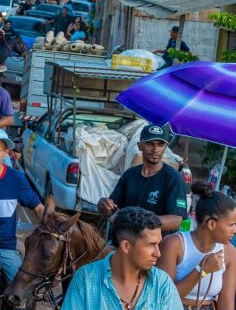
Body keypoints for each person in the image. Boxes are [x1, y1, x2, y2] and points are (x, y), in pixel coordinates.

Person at [62, 207, 184, 310]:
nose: (158, 253)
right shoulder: (85, 280)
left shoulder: (162, 284)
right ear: (126, 246)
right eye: (151, 245)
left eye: (158, 244)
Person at [0, 128, 43, 283]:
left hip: (4, 247)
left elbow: (38, 207)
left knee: (19, 292)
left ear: (6, 153)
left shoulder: (16, 178)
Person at [157, 182, 236, 310]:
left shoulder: (230, 253)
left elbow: (226, 302)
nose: (235, 230)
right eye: (231, 225)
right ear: (211, 224)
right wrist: (202, 270)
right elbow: (162, 298)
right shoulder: (174, 244)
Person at [97, 124, 187, 235]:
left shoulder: (173, 178)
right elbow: (112, 211)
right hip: (127, 241)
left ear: (165, 147)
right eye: (150, 144)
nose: (155, 149)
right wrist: (103, 205)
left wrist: (138, 223)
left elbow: (175, 221)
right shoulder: (129, 175)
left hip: (157, 246)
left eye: (160, 144)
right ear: (140, 146)